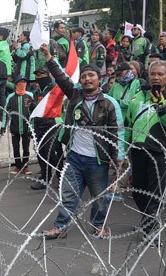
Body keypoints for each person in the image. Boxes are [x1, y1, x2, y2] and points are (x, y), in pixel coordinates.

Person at [39, 44, 125, 240]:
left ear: (99, 79)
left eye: (91, 76)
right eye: (84, 76)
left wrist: (118, 158)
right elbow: (61, 78)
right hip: (75, 157)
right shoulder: (75, 95)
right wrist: (49, 58)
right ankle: (60, 227)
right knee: (68, 195)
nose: (87, 79)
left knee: (99, 198)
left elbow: (118, 132)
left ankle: (98, 226)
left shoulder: (110, 103)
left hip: (97, 160)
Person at [124, 61, 166, 244]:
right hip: (137, 150)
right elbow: (129, 123)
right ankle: (147, 221)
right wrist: (124, 149)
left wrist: (162, 107)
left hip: (158, 151)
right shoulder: (137, 98)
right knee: (138, 191)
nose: (155, 77)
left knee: (155, 192)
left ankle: (151, 230)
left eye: (160, 74)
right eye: (152, 74)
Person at [30, 66, 64, 190]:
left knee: (52, 153)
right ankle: (45, 178)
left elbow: (55, 105)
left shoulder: (54, 89)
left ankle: (62, 176)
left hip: (52, 124)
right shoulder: (37, 91)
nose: (39, 77)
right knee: (41, 154)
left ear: (48, 75)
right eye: (37, 75)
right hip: (39, 125)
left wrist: (37, 105)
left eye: (42, 75)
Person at [1, 75, 35, 174]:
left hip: (26, 127)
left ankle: (25, 167)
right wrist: (3, 125)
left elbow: (34, 112)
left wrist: (32, 127)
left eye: (24, 82)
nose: (22, 84)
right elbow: (5, 112)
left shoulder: (30, 95)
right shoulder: (10, 97)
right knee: (15, 148)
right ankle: (17, 166)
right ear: (16, 84)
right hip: (14, 126)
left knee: (26, 148)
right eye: (20, 82)